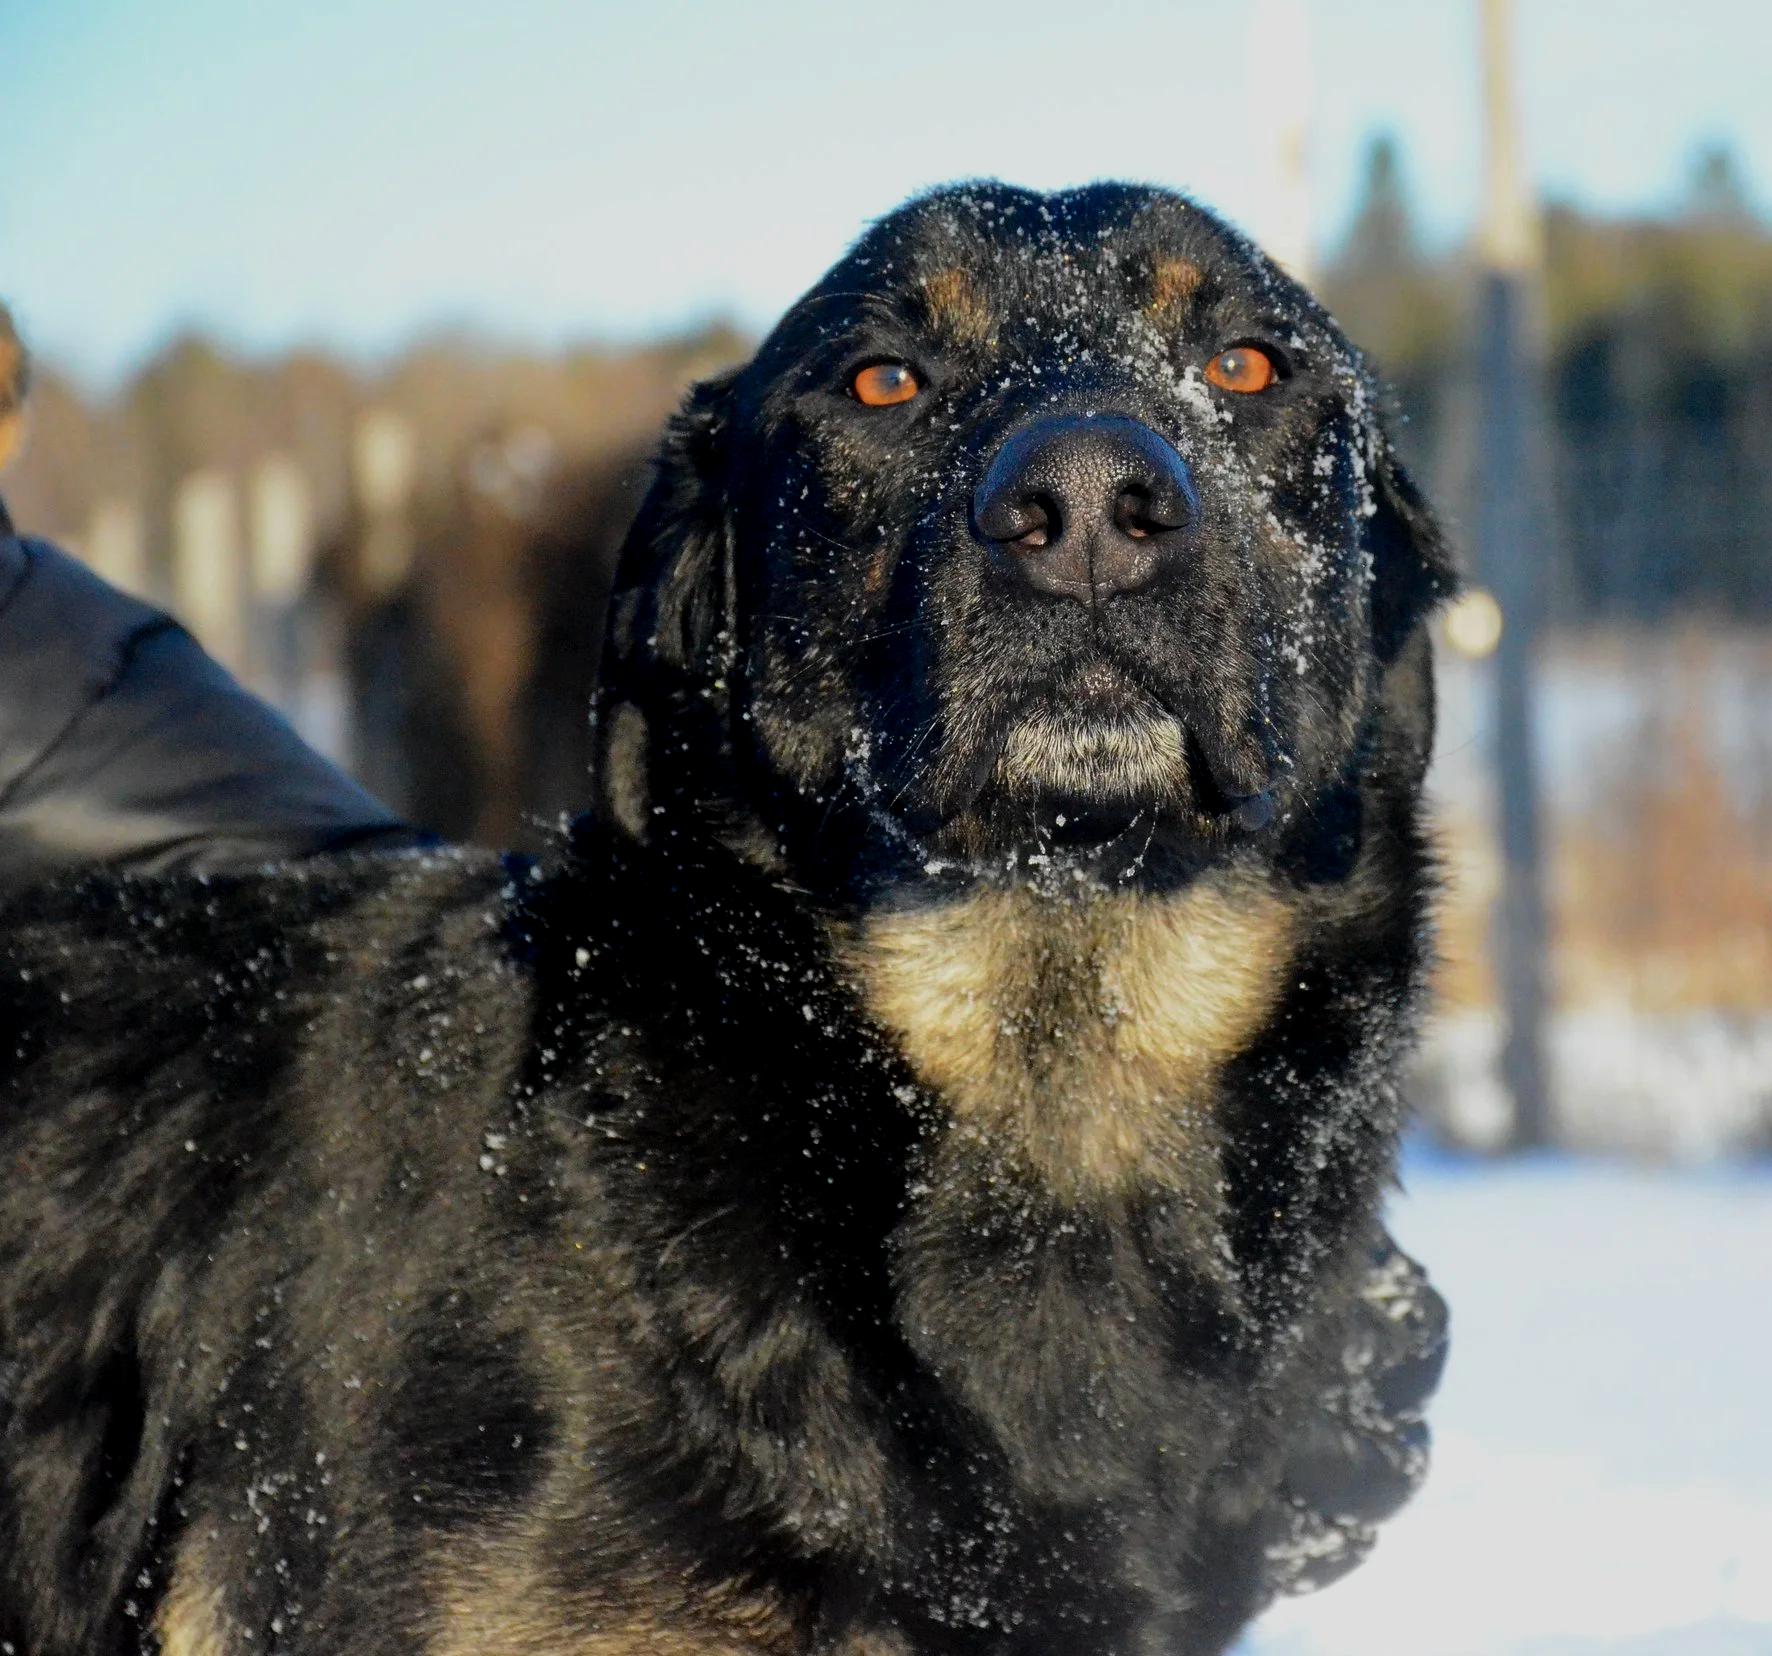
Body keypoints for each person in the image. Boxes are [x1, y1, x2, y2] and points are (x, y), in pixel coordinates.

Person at [0, 300, 1445, 1597]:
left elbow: (126, 764)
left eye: (1239, 368)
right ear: (706, 604)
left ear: (1383, 652)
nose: (1089, 493)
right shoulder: (566, 1425)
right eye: (886, 383)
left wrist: (1264, 1250)